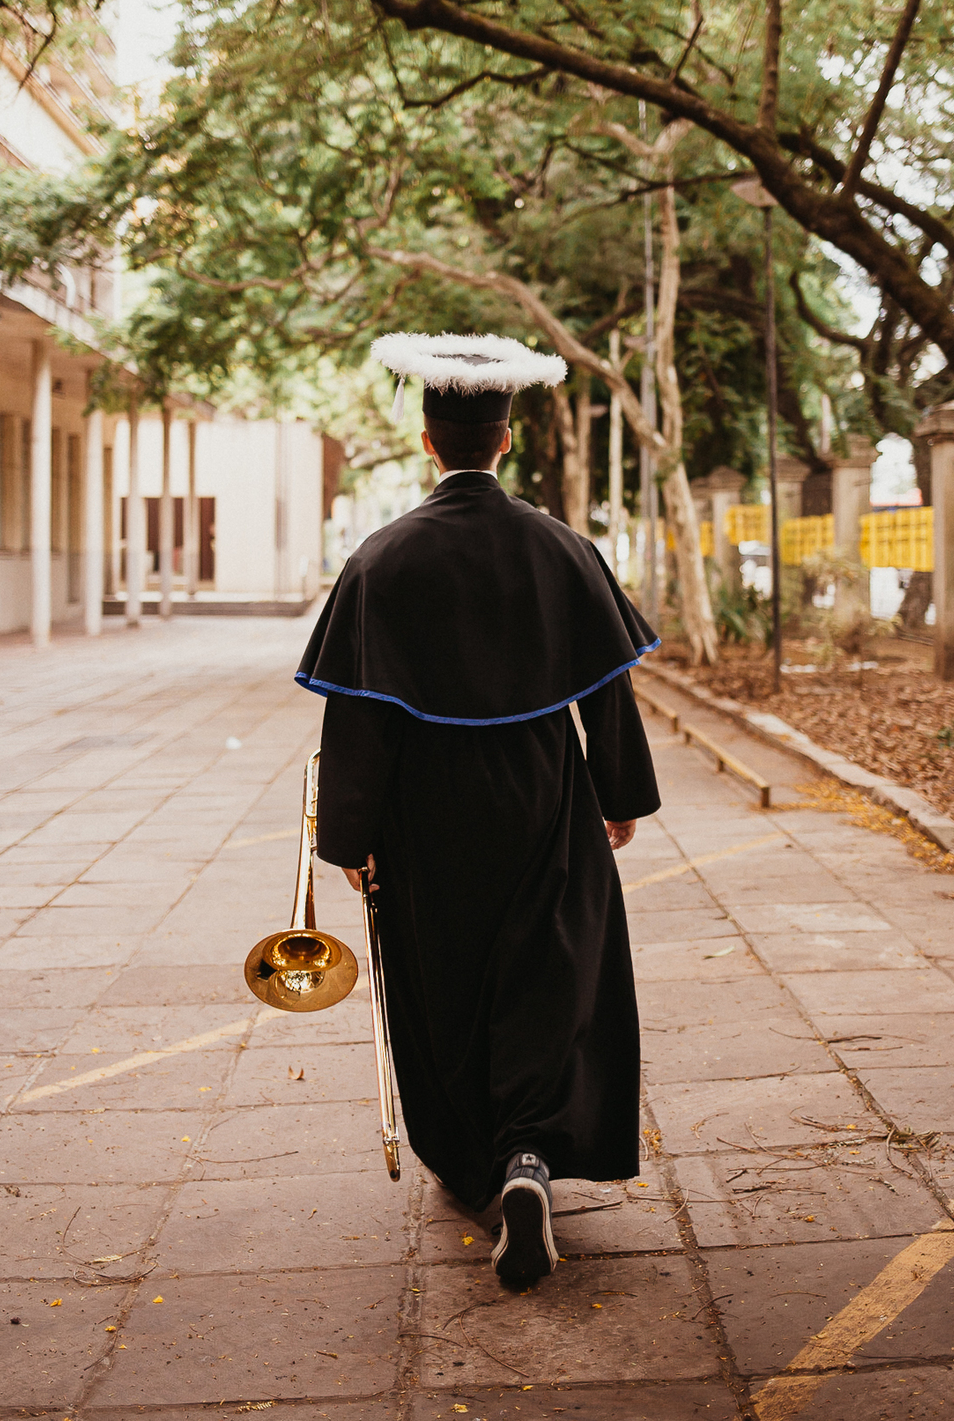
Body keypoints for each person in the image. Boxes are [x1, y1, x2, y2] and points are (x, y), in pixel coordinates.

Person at [296, 333, 661, 1285]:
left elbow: (361, 718)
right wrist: (618, 797)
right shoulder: (563, 547)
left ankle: (476, 1163)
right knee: (552, 972)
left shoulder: (383, 559)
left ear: (428, 440)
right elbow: (608, 693)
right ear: (506, 441)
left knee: (445, 980)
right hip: (545, 792)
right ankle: (531, 1155)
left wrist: (350, 835)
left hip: (426, 811)